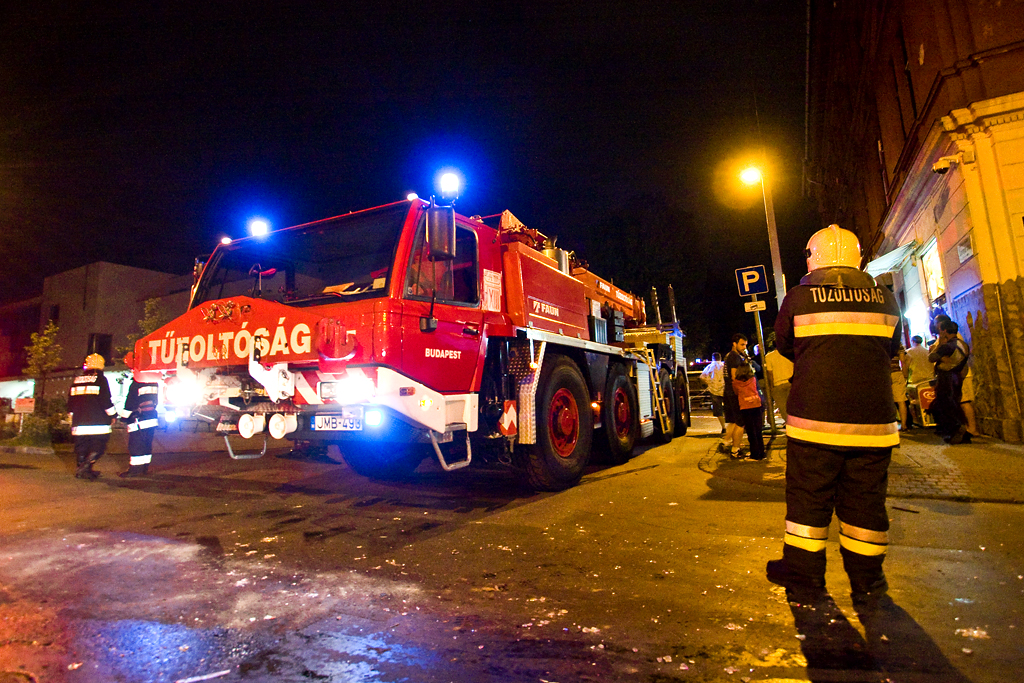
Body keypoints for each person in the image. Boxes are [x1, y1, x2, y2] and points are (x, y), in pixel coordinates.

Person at [767, 224, 902, 613]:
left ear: (812, 258)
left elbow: (785, 345)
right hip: (874, 424)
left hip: (814, 423)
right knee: (865, 505)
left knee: (808, 503)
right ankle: (868, 583)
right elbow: (892, 346)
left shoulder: (800, 297)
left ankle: (805, 577)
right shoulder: (884, 297)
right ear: (858, 257)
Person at [67, 353, 117, 480]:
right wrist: (113, 415)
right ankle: (85, 467)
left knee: (81, 447)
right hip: (98, 423)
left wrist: (71, 416)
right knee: (98, 447)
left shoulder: (77, 380)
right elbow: (105, 400)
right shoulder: (100, 379)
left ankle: (84, 470)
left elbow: (71, 401)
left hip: (79, 422)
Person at [929, 319, 971, 444]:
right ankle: (961, 431)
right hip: (957, 376)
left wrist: (939, 346)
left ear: (945, 331)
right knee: (955, 403)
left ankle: (956, 431)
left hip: (946, 378)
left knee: (948, 405)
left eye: (940, 330)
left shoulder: (947, 346)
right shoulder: (963, 344)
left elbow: (931, 357)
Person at [118, 376, 160, 477]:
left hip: (139, 420)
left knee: (136, 445)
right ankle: (144, 468)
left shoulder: (136, 383)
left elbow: (130, 403)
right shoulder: (154, 381)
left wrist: (123, 417)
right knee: (146, 444)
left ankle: (135, 471)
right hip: (151, 418)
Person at [722, 333, 749, 458]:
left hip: (729, 392)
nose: (744, 347)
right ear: (735, 344)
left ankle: (728, 443)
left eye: (745, 345)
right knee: (740, 421)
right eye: (742, 344)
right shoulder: (734, 356)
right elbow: (734, 376)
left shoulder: (729, 356)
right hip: (735, 392)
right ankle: (735, 449)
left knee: (733, 420)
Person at [733, 361, 765, 461]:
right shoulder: (753, 379)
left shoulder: (735, 382)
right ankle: (761, 453)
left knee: (751, 432)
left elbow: (736, 392)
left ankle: (755, 454)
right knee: (758, 430)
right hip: (756, 404)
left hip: (745, 407)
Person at [764, 340, 794, 422]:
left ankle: (790, 424)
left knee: (783, 409)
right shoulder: (790, 354)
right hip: (791, 383)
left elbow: (770, 374)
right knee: (794, 408)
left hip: (778, 385)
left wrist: (771, 387)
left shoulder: (769, 357)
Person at [699, 353, 727, 438]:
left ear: (712, 358)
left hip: (714, 390)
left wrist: (708, 384)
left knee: (718, 410)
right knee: (728, 408)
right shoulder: (724, 365)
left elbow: (702, 377)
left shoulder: (709, 367)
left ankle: (724, 427)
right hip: (725, 389)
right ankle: (731, 426)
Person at [891, 345, 909, 430]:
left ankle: (890, 425)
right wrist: (905, 376)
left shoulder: (881, 340)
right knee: (901, 400)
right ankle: (904, 425)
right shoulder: (898, 344)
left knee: (887, 401)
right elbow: (903, 361)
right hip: (896, 373)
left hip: (884, 373)